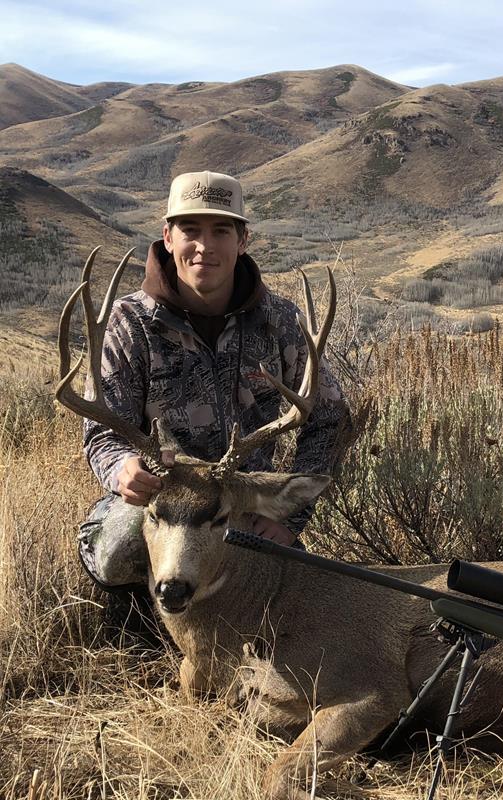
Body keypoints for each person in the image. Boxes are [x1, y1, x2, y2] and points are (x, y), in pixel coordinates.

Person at [78, 170, 351, 636]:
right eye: (190, 230)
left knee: (290, 589)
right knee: (119, 545)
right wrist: (122, 467)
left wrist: (289, 517)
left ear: (242, 240)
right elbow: (103, 431)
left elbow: (330, 419)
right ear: (168, 237)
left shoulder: (280, 322)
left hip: (239, 497)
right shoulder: (129, 324)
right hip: (161, 495)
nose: (204, 246)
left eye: (221, 231)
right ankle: (141, 628)